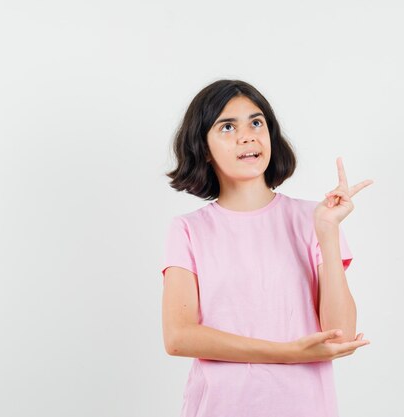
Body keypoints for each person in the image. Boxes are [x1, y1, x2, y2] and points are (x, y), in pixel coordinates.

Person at [160, 79, 373, 417]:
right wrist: (285, 353)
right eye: (227, 126)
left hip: (304, 407)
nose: (247, 136)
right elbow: (179, 337)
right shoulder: (189, 229)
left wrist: (328, 232)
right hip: (220, 407)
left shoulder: (314, 219)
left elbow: (340, 335)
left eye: (256, 122)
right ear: (203, 147)